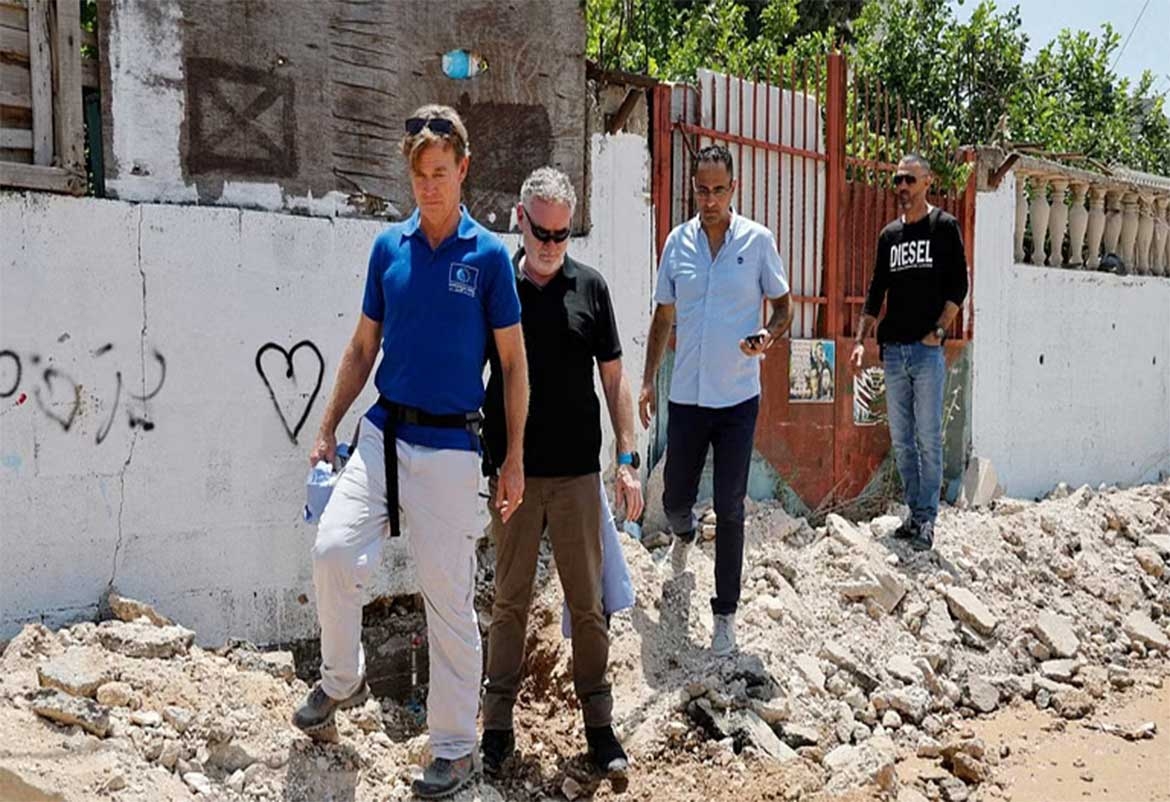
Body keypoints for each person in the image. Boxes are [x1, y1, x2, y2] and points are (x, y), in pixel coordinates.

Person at [292, 104, 529, 799]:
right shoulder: (387, 250)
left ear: (464, 169)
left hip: (453, 445)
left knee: (447, 600)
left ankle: (454, 749)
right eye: (420, 174)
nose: (429, 186)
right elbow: (363, 345)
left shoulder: (488, 257)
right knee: (333, 551)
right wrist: (328, 425)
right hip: (382, 433)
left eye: (440, 173)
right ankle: (342, 679)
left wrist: (513, 457)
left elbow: (513, 365)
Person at [480, 167, 643, 777]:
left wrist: (625, 460)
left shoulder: (590, 288)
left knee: (588, 604)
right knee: (509, 602)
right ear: (520, 220)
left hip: (576, 476)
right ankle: (497, 728)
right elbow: (472, 373)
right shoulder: (498, 288)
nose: (551, 245)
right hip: (514, 477)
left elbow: (615, 379)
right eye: (541, 232)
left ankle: (599, 727)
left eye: (562, 234)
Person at [638, 144, 791, 657]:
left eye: (718, 190)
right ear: (693, 189)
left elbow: (784, 307)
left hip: (738, 398)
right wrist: (647, 381)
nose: (709, 200)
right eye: (701, 190)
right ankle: (683, 537)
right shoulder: (676, 243)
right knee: (673, 499)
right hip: (686, 396)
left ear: (734, 189)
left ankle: (725, 615)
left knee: (729, 505)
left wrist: (768, 336)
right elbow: (663, 317)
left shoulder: (757, 241)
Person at [850, 153, 968, 552]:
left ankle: (927, 519)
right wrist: (861, 341)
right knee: (902, 441)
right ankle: (915, 515)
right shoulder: (890, 236)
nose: (902, 186)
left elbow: (959, 286)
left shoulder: (944, 227)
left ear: (927, 182)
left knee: (928, 438)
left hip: (926, 353)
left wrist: (940, 330)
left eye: (909, 180)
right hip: (894, 352)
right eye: (898, 180)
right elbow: (875, 291)